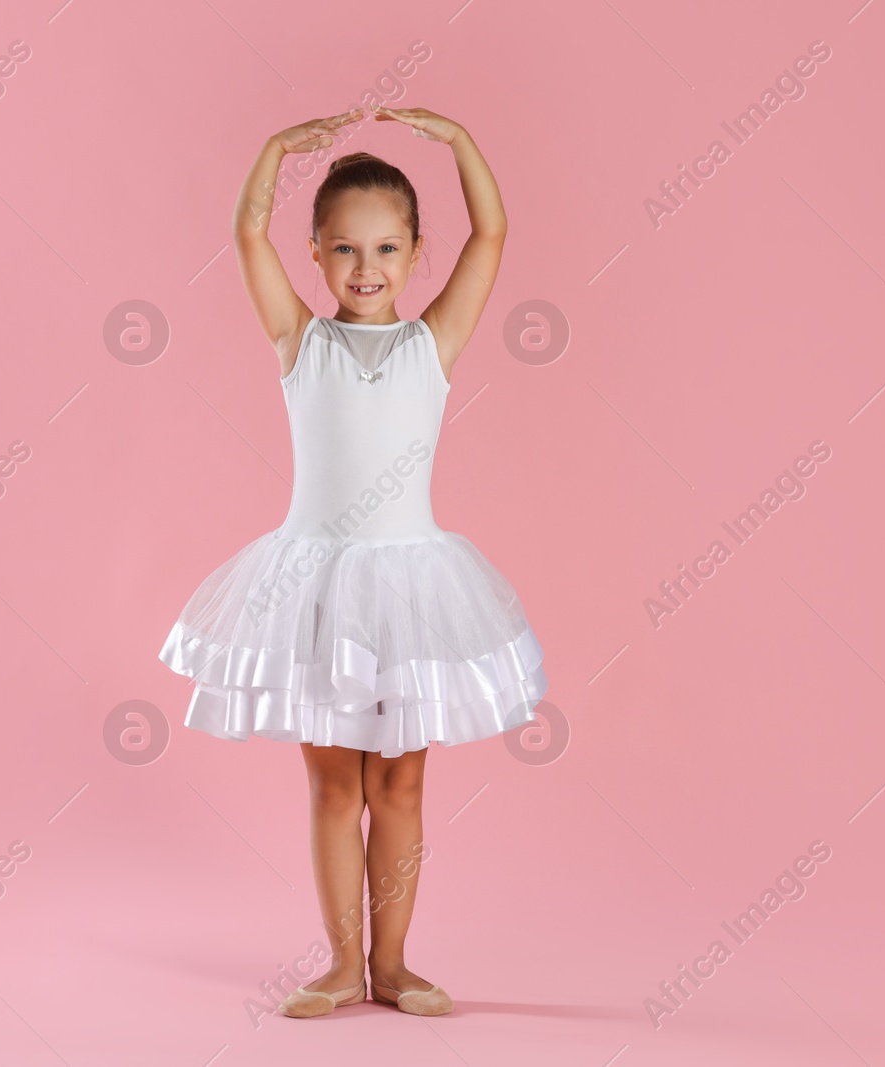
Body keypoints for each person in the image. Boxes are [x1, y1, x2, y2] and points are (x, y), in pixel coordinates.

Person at [158, 104, 548, 1018]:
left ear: (416, 254)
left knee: (402, 781)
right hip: (319, 589)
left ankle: (396, 963)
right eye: (343, 249)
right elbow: (245, 228)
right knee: (335, 783)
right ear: (316, 253)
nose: (365, 269)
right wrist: (272, 151)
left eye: (385, 249)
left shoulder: (432, 345)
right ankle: (340, 963)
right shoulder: (302, 343)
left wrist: (459, 142)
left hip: (412, 590)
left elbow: (494, 230)